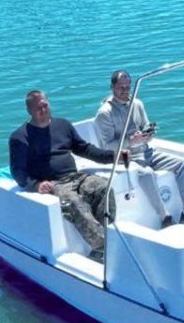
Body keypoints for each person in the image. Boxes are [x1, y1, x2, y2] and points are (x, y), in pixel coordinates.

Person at [9, 89, 119, 261]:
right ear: (29, 110)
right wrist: (36, 185)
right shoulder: (20, 137)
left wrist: (113, 156)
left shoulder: (63, 125)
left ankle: (107, 237)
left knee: (104, 187)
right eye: (38, 108)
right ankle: (103, 248)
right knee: (73, 202)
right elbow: (17, 171)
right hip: (54, 184)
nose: (43, 110)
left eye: (45, 105)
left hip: (75, 177)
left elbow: (84, 149)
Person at [93, 70, 184, 228]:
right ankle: (164, 217)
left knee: (183, 164)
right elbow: (106, 145)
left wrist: (148, 134)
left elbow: (145, 126)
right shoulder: (104, 113)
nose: (125, 90)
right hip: (125, 157)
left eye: (128, 87)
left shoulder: (137, 104)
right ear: (112, 87)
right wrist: (130, 141)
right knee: (146, 174)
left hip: (145, 152)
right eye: (121, 87)